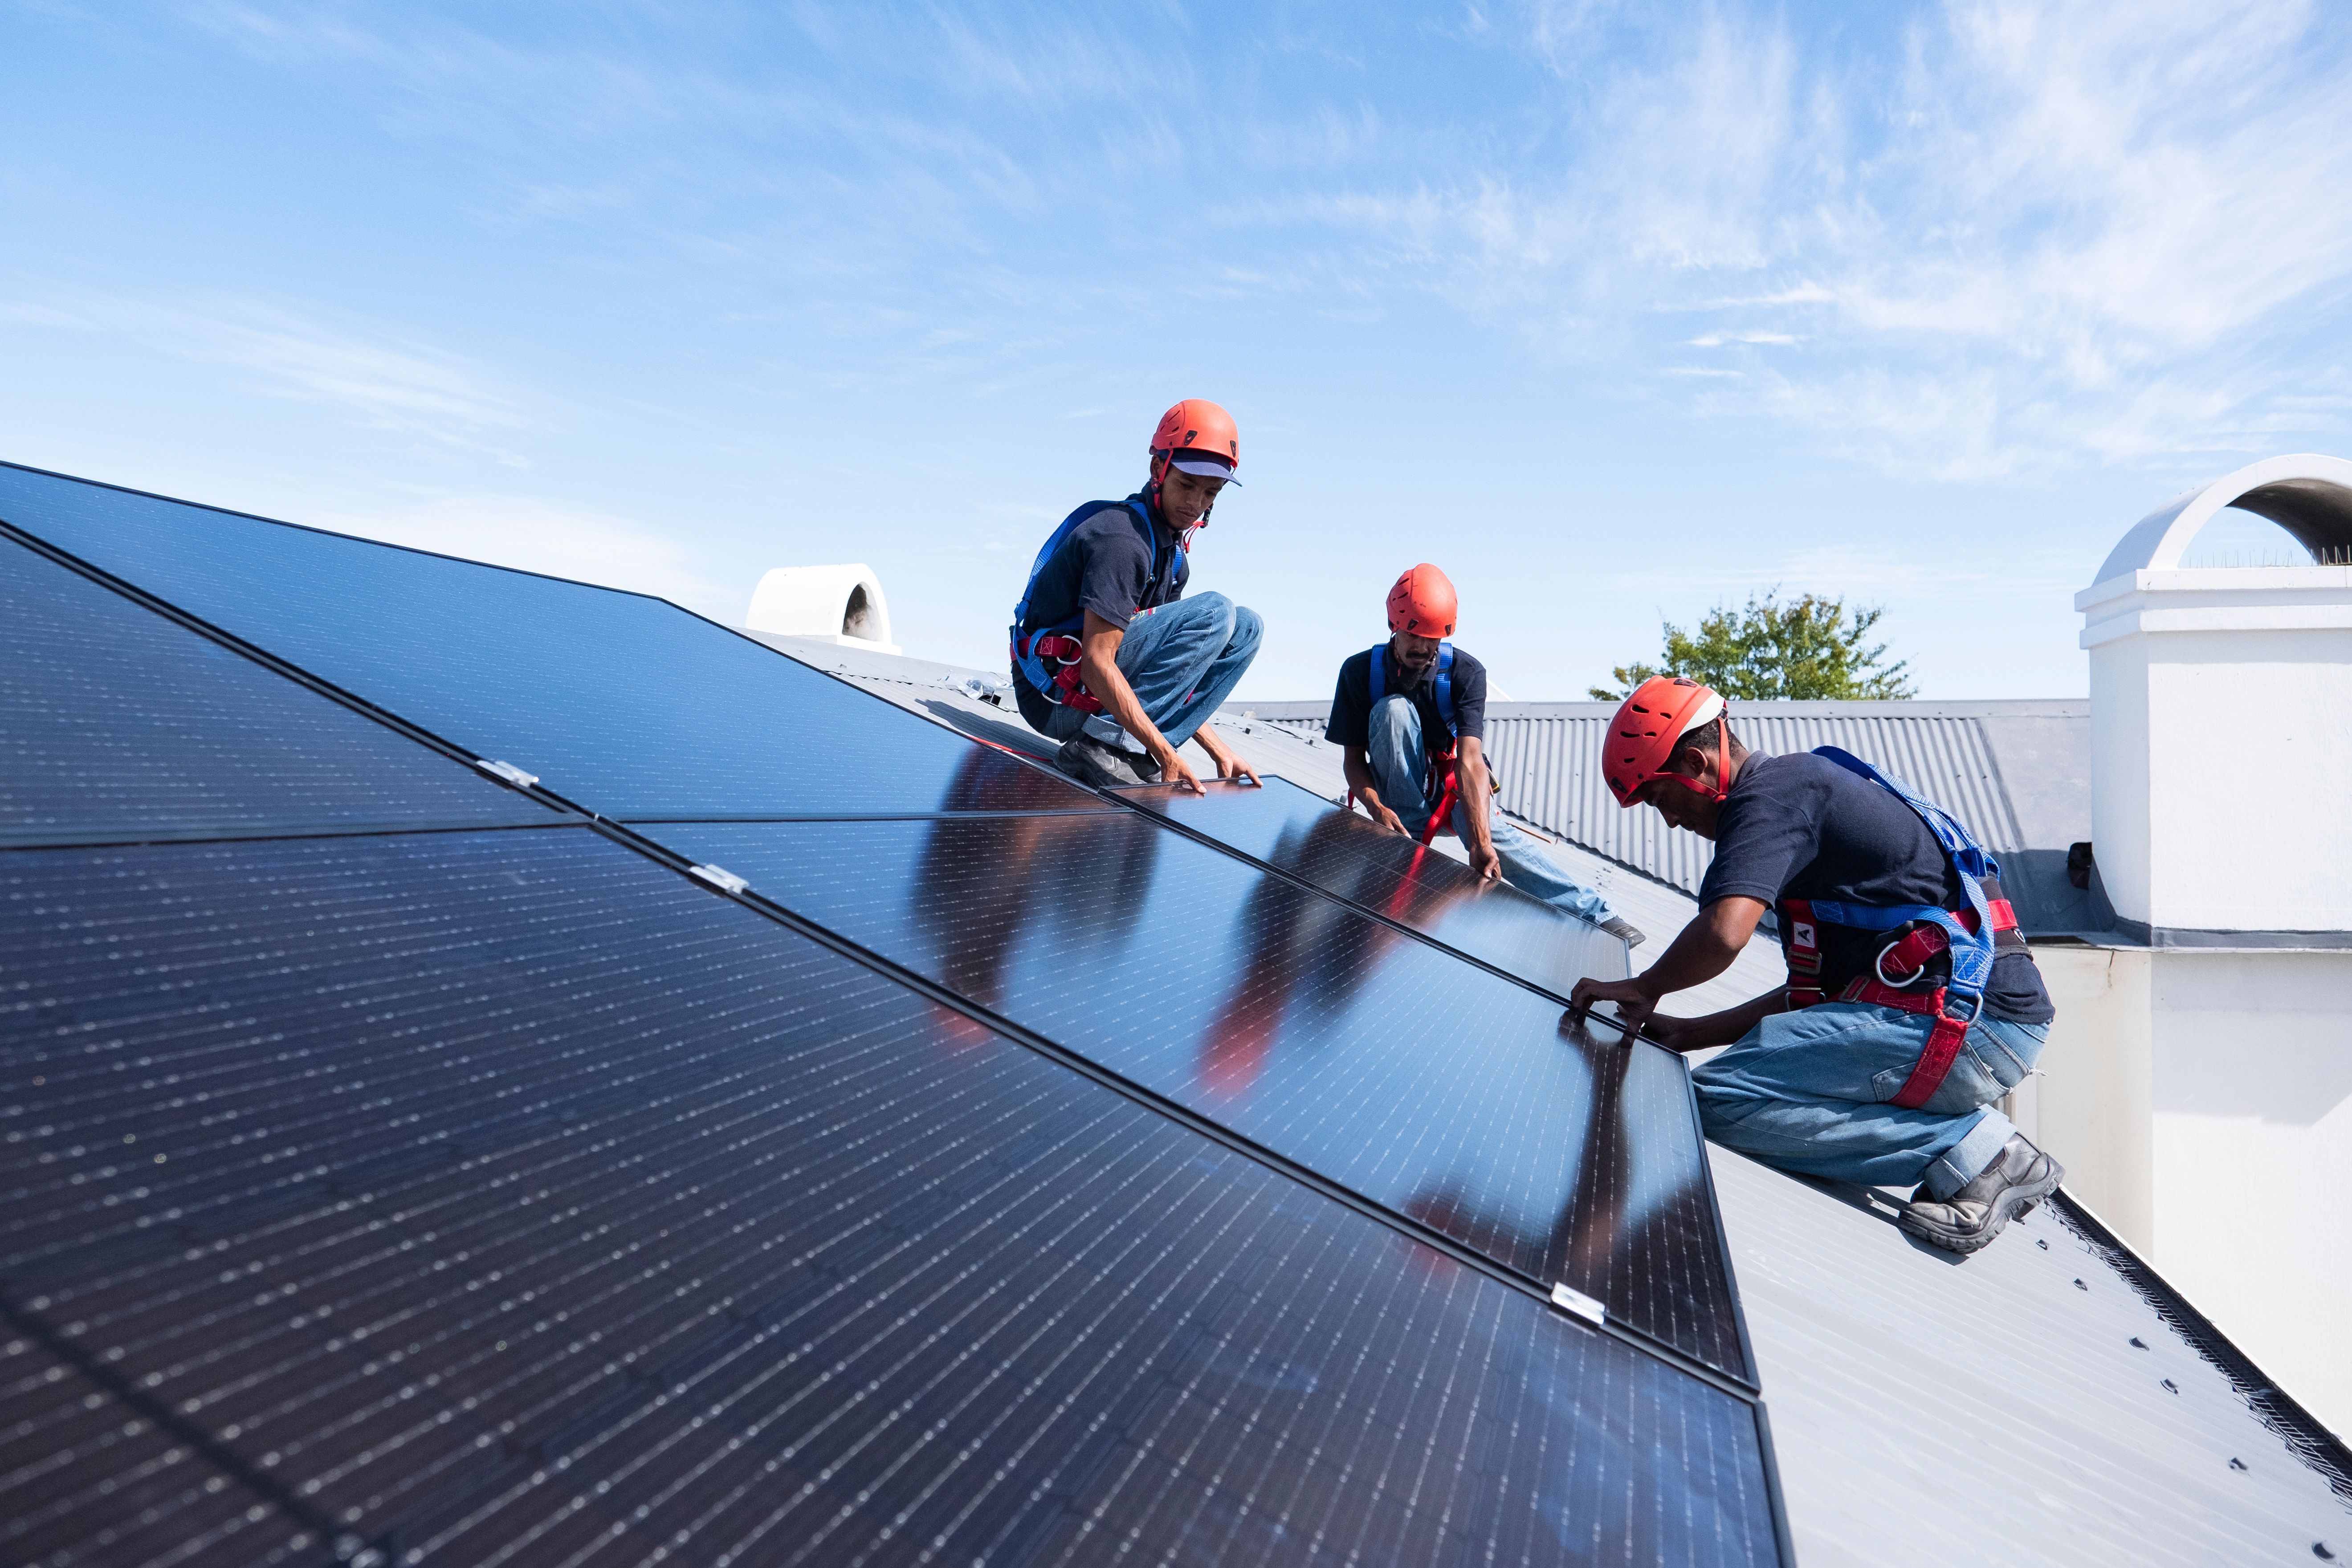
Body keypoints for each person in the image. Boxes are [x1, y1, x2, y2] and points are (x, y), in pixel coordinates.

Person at [1566, 675, 2063, 1254]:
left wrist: (1644, 987)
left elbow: (1724, 933)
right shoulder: (1801, 797)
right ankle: (1969, 1146)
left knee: (1720, 1098)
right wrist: (1689, 1032)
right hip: (1981, 1023)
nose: (1670, 821)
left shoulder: (1773, 796)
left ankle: (1978, 1153)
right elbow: (1814, 995)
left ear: (1697, 764)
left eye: (1659, 798)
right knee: (1726, 1088)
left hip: (1967, 1024)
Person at [1326, 564, 1631, 935]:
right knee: (1393, 710)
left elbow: (1470, 760)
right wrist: (1376, 808)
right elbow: (1353, 761)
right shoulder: (1359, 672)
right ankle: (1407, 838)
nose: (1422, 647)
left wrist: (1480, 838)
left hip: (1451, 790)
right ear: (1393, 625)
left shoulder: (1465, 673)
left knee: (1492, 840)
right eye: (1413, 635)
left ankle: (1596, 913)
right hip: (1395, 796)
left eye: (1432, 638)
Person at [1010, 399, 1262, 793]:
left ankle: (1117, 746)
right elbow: (1096, 664)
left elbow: (1173, 672)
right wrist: (1163, 751)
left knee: (1247, 626)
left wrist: (1218, 749)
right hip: (1055, 698)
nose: (1196, 503)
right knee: (1216, 611)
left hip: (1091, 699)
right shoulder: (1122, 540)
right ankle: (1102, 747)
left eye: (1211, 492)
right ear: (1158, 469)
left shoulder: (1173, 559)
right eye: (1187, 484)